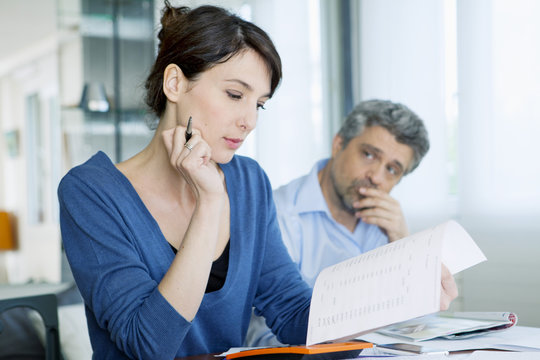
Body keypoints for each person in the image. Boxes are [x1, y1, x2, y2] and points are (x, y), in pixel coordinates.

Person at [58, 3, 312, 359]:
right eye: (235, 95)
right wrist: (209, 203)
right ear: (175, 83)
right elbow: (150, 345)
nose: (249, 120)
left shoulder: (249, 181)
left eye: (260, 104)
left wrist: (376, 305)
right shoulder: (90, 193)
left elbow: (291, 309)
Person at [246, 99, 455, 346]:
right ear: (338, 145)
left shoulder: (388, 225)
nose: (376, 177)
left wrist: (402, 242)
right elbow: (270, 330)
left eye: (392, 169)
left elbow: (419, 327)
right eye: (368, 155)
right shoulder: (279, 212)